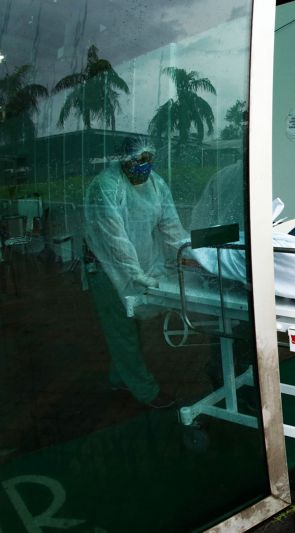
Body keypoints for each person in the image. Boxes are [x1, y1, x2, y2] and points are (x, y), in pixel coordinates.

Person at [84, 137, 189, 409]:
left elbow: (172, 228)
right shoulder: (106, 187)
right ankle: (146, 391)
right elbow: (114, 239)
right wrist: (136, 275)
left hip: (138, 264)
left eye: (147, 159)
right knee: (122, 331)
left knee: (130, 328)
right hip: (105, 268)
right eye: (136, 161)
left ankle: (120, 377)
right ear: (122, 161)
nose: (143, 166)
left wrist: (192, 257)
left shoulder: (156, 184)